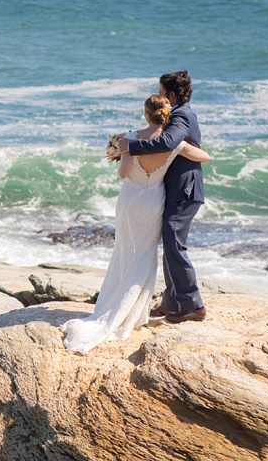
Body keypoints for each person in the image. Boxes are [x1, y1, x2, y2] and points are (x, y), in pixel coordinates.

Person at [62, 94, 212, 353]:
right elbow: (205, 157)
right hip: (155, 201)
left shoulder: (130, 140)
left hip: (131, 201)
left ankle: (114, 306)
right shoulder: (176, 145)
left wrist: (121, 151)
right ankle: (135, 312)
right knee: (145, 255)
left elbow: (123, 174)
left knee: (124, 251)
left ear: (145, 114)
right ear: (167, 114)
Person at [126, 70, 207, 323]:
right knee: (171, 244)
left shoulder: (180, 115)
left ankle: (193, 305)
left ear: (171, 94)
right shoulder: (182, 113)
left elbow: (168, 142)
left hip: (185, 189)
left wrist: (130, 146)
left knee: (174, 243)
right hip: (179, 189)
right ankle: (172, 302)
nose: (159, 97)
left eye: (161, 92)